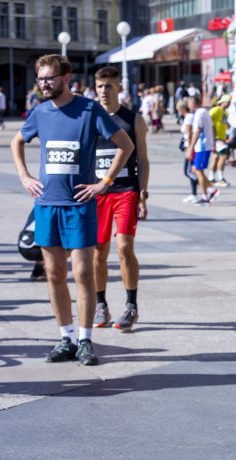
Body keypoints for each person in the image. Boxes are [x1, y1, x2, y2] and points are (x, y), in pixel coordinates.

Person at [10, 54, 134, 366]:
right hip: (46, 205)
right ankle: (65, 337)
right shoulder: (39, 113)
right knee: (53, 274)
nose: (43, 83)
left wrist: (103, 182)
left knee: (82, 272)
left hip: (79, 205)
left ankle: (85, 339)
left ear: (65, 78)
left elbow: (126, 145)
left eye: (49, 78)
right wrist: (24, 176)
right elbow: (16, 142)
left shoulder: (89, 109)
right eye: (40, 78)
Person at [91, 67, 149, 333]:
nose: (104, 91)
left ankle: (131, 305)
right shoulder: (90, 117)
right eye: (100, 86)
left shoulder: (133, 120)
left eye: (109, 86)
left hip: (126, 190)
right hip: (97, 193)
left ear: (119, 88)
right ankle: (100, 303)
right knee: (98, 251)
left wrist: (143, 193)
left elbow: (143, 160)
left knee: (124, 248)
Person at [186, 96, 220, 206]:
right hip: (204, 145)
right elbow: (213, 128)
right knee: (195, 169)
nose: (188, 105)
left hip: (202, 146)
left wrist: (190, 147)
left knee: (199, 171)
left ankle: (205, 196)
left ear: (194, 103)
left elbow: (197, 131)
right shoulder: (204, 112)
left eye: (189, 103)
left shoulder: (200, 114)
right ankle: (211, 189)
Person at [177, 99, 200, 203]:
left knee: (188, 171)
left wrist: (190, 149)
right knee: (190, 171)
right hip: (189, 146)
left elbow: (189, 133)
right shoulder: (188, 117)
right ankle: (194, 193)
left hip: (190, 147)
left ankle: (207, 187)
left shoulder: (189, 117)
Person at [208, 94, 231, 187]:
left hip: (222, 138)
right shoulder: (216, 109)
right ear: (223, 102)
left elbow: (223, 124)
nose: (229, 104)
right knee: (223, 156)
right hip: (216, 137)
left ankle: (211, 178)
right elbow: (208, 118)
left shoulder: (226, 113)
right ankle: (220, 177)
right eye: (228, 102)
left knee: (216, 158)